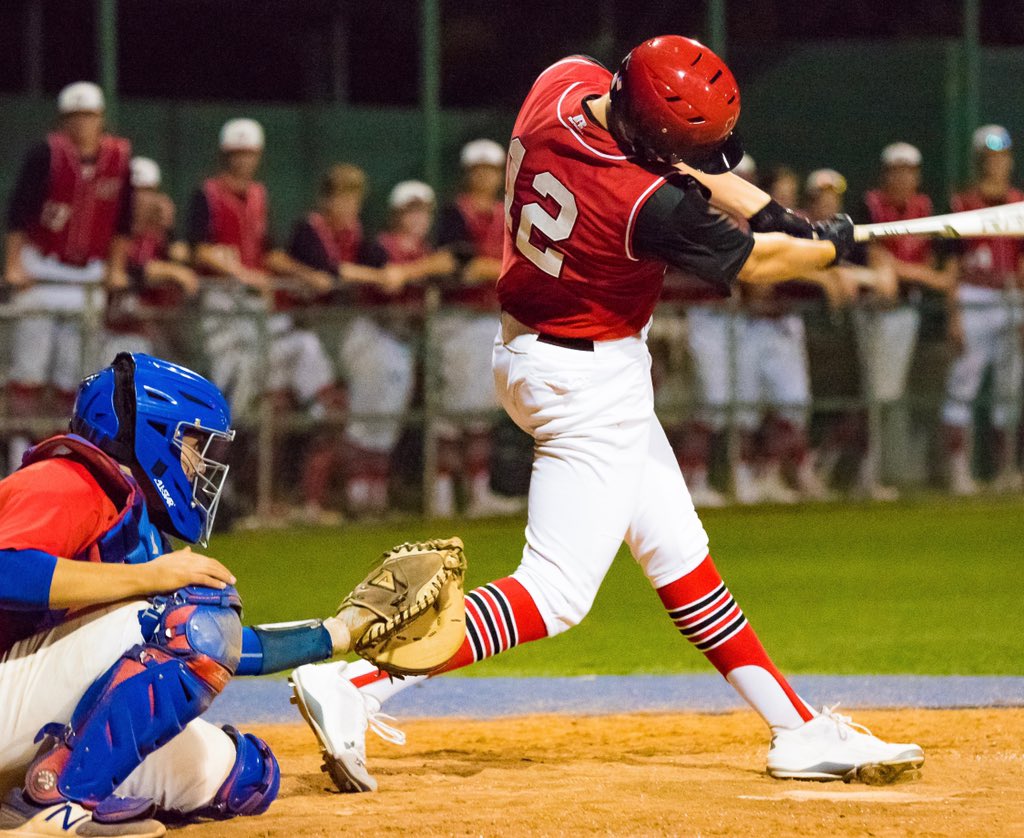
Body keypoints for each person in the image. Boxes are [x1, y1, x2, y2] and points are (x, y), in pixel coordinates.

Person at [290, 36, 923, 792]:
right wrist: (830, 246)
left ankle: (797, 729)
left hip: (536, 356)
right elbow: (757, 262)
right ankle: (355, 685)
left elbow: (696, 172)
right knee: (556, 591)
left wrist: (784, 215)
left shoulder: (562, 83)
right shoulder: (640, 204)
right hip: (588, 383)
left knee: (677, 551)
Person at [0, 353, 362, 834]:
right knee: (190, 610)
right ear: (153, 432)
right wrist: (151, 579)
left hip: (20, 706)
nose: (200, 462)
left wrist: (341, 634)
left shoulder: (129, 513)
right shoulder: (67, 479)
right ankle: (54, 806)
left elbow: (214, 645)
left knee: (243, 774)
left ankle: (50, 788)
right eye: (192, 442)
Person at [3, 82, 132, 472]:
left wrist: (117, 267)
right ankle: (15, 463)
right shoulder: (48, 153)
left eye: (89, 116)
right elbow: (18, 210)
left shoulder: (118, 158)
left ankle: (60, 462)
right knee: (27, 374)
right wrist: (13, 264)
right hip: (42, 269)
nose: (82, 124)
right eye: (75, 117)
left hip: (86, 275)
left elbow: (122, 219)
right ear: (63, 121)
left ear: (101, 120)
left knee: (70, 379)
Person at [187, 118, 336, 421]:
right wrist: (241, 273)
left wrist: (306, 275)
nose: (243, 160)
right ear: (225, 156)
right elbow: (198, 249)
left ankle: (314, 413)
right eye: (237, 154)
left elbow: (270, 253)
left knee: (299, 349)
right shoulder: (208, 193)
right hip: (221, 298)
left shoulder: (259, 195)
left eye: (249, 153)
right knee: (232, 378)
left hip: (255, 298)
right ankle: (221, 443)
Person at [333, 180, 454, 517]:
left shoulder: (425, 252)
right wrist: (399, 273)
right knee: (366, 420)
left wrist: (408, 272)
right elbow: (381, 277)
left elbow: (448, 263)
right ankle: (357, 497)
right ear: (396, 214)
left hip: (401, 343)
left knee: (388, 423)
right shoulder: (378, 246)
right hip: (374, 334)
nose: (417, 218)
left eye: (422, 211)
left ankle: (376, 496)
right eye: (409, 211)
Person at [730, 168, 844, 504]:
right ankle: (743, 477)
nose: (788, 201)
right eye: (781, 193)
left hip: (784, 326)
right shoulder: (751, 227)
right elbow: (759, 287)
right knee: (745, 412)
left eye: (792, 194)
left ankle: (769, 473)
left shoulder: (796, 229)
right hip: (751, 327)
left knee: (793, 406)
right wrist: (815, 276)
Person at [851, 143, 951, 498]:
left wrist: (925, 276)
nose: (903, 177)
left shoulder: (924, 207)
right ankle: (865, 474)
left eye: (909, 170)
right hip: (874, 309)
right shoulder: (869, 204)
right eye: (896, 170)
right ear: (885, 173)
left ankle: (871, 472)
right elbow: (876, 259)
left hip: (908, 310)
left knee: (887, 394)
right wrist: (926, 276)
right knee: (875, 393)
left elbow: (946, 266)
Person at [432, 139, 526, 517]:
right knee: (452, 414)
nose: (486, 177)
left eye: (491, 169)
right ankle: (440, 496)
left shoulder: (509, 211)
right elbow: (462, 265)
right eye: (479, 170)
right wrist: (504, 270)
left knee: (483, 412)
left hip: (494, 318)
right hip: (458, 319)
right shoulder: (454, 213)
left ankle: (477, 493)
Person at [941, 125, 1024, 495]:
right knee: (964, 384)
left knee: (1010, 389)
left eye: (1003, 157)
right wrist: (953, 313)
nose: (998, 164)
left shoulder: (1019, 202)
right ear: (979, 161)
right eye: (990, 158)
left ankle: (1007, 471)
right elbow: (951, 267)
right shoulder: (961, 203)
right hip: (973, 295)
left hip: (1010, 296)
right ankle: (958, 470)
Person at [103, 157, 199, 363]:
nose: (140, 199)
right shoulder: (109, 232)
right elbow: (121, 269)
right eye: (134, 192)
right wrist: (163, 271)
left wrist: (171, 232)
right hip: (109, 332)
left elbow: (184, 270)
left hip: (152, 334)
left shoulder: (159, 238)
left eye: (147, 192)